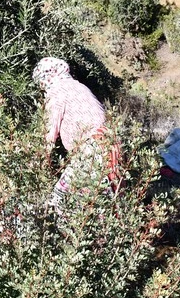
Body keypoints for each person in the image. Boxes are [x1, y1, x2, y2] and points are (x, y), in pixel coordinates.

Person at [32, 57, 120, 209]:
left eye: (41, 82)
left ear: (46, 77)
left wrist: (35, 167)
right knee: (103, 201)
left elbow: (49, 135)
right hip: (110, 145)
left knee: (62, 201)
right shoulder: (78, 86)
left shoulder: (57, 91)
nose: (42, 87)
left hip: (92, 150)